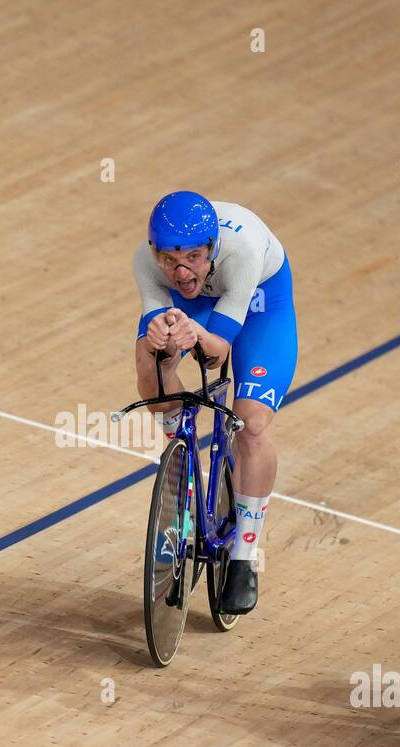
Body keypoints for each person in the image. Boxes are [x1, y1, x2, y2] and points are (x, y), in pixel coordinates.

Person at [133, 191, 298, 615]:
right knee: (150, 362)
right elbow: (158, 335)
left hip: (261, 301)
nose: (181, 270)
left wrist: (196, 335)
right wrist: (162, 336)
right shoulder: (145, 261)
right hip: (199, 305)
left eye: (192, 256)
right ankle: (180, 454)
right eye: (169, 259)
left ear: (212, 248)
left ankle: (244, 555)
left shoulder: (240, 252)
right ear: (154, 252)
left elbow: (217, 351)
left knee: (252, 422)